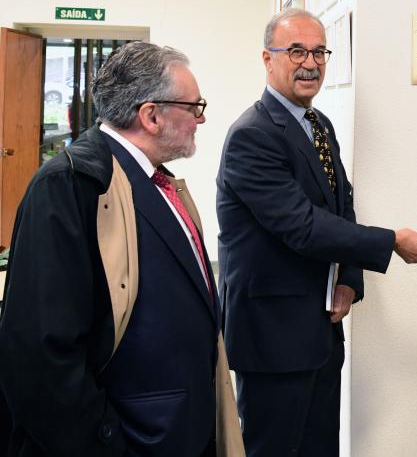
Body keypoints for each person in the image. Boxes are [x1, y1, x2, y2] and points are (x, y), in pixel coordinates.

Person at [0, 42, 242, 455]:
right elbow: (41, 356)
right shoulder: (70, 185)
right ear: (151, 115)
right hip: (128, 438)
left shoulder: (154, 181)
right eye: (193, 107)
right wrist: (107, 443)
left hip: (172, 431)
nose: (201, 118)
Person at [216, 8, 417, 456]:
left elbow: (342, 203)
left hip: (319, 330)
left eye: (319, 51)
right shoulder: (252, 135)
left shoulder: (318, 125)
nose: (311, 63)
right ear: (267, 58)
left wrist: (350, 281)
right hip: (272, 337)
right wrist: (391, 241)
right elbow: (301, 224)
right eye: (296, 50)